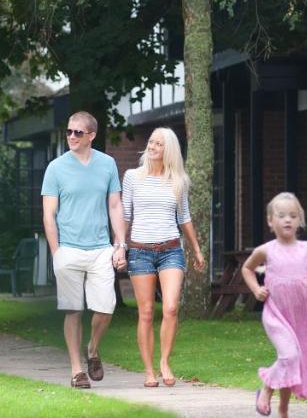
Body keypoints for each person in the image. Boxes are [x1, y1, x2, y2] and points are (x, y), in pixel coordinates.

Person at [41, 111, 128, 389]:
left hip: (101, 248)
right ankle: (77, 370)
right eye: (69, 131)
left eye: (78, 132)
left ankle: (92, 349)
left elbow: (115, 206)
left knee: (105, 309)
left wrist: (120, 244)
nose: (72, 137)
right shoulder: (55, 168)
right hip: (68, 249)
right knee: (73, 310)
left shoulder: (108, 165)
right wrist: (57, 253)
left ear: (91, 135)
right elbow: (48, 214)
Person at [242, 192, 307, 418]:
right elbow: (247, 269)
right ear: (270, 221)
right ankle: (267, 387)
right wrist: (256, 290)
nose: (287, 220)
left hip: (301, 318)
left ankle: (284, 412)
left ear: (300, 221)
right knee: (289, 357)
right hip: (276, 314)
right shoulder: (266, 250)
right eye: (281, 215)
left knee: (291, 362)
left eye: (293, 216)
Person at [121, 127, 206, 387]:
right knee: (145, 312)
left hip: (171, 249)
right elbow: (125, 215)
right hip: (140, 251)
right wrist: (119, 246)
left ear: (168, 149)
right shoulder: (132, 177)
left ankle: (165, 362)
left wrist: (197, 249)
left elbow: (185, 218)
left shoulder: (178, 181)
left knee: (170, 307)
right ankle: (149, 371)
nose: (152, 146)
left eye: (158, 144)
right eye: (150, 142)